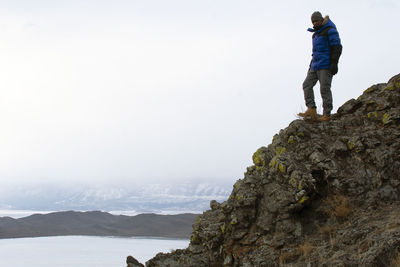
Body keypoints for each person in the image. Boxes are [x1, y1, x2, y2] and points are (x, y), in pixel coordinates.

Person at [298, 11, 342, 121]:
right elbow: (315, 52)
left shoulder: (330, 31)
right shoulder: (315, 35)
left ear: (321, 20)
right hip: (315, 65)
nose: (315, 23)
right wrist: (310, 66)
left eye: (317, 21)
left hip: (326, 65)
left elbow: (337, 47)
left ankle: (326, 114)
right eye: (313, 22)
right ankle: (311, 109)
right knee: (306, 85)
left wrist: (334, 63)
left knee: (324, 89)